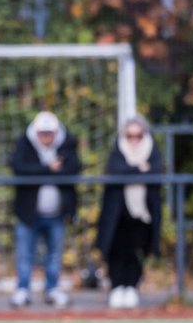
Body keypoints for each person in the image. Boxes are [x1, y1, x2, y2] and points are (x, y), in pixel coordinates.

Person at [9, 110, 81, 308]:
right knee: (25, 255)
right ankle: (23, 289)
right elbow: (19, 167)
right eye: (43, 133)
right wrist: (48, 168)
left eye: (50, 133)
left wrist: (47, 170)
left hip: (56, 213)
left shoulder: (67, 144)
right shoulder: (25, 144)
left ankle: (52, 289)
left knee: (54, 255)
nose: (47, 137)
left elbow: (73, 168)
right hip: (28, 213)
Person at [95, 115, 164, 309]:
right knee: (117, 251)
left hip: (143, 214)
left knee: (137, 251)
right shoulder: (117, 150)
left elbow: (157, 172)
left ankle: (132, 287)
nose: (134, 139)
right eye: (130, 135)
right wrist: (140, 170)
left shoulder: (153, 150)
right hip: (118, 214)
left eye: (138, 135)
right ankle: (117, 287)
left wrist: (132, 171)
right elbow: (116, 170)